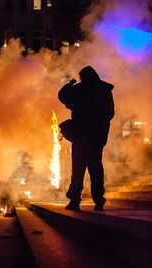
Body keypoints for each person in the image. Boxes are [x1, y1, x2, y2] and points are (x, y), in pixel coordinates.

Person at [58, 66, 114, 211]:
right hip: (96, 138)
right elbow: (110, 113)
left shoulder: (79, 89)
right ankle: (99, 200)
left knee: (78, 170)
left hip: (80, 136)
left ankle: (75, 201)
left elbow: (62, 96)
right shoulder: (104, 90)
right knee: (96, 169)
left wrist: (70, 84)